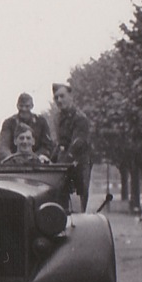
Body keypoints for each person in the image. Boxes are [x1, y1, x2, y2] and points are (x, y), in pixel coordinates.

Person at [51, 81, 92, 211]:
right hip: (64, 163)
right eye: (56, 97)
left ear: (71, 97)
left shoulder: (80, 118)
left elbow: (77, 144)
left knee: (78, 201)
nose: (59, 100)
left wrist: (61, 165)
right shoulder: (59, 118)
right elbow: (60, 143)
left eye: (62, 96)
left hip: (78, 164)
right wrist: (51, 160)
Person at [0, 92, 54, 160]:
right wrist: (12, 159)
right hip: (14, 163)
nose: (24, 109)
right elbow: (2, 146)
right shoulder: (9, 122)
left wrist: (34, 158)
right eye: (21, 106)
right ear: (17, 106)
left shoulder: (41, 121)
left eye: (27, 106)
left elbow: (47, 145)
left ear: (32, 106)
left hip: (37, 161)